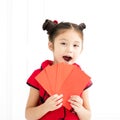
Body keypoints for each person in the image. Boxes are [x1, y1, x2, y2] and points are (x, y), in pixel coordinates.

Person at [25, 19, 92, 120]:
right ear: (51, 46)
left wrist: (80, 109)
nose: (70, 49)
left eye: (75, 45)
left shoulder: (81, 78)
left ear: (81, 49)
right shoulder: (38, 75)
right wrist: (45, 107)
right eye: (63, 43)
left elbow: (87, 117)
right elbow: (28, 115)